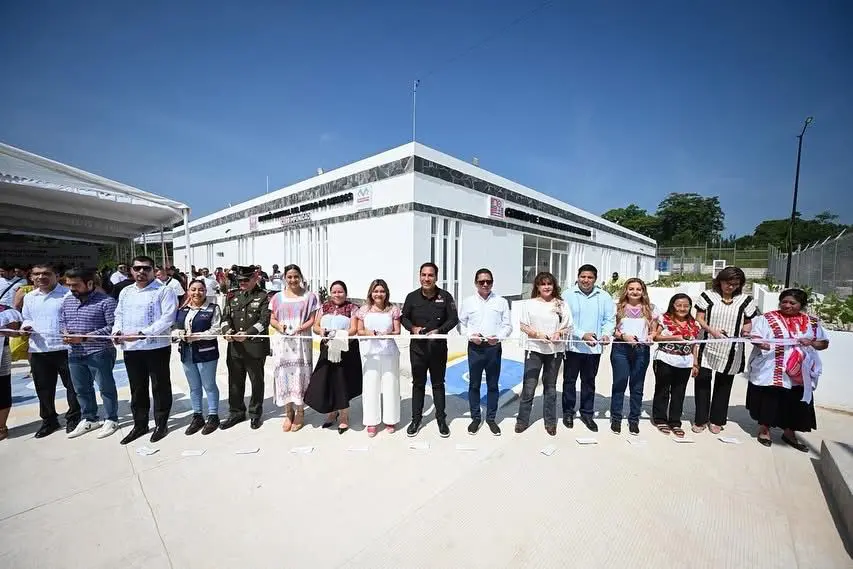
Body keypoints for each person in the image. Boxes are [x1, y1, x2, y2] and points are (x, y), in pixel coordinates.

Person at [746, 288, 829, 451]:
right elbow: (755, 336)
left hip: (800, 370)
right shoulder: (767, 318)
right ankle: (764, 429)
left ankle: (789, 432)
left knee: (795, 400)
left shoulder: (811, 322)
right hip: (772, 367)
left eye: (792, 303)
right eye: (784, 302)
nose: (787, 305)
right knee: (770, 398)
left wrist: (811, 343)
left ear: (801, 305)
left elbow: (824, 343)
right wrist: (761, 343)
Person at [113, 255, 178, 445]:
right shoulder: (125, 291)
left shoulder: (163, 290)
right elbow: (119, 314)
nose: (141, 272)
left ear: (153, 270)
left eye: (146, 268)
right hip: (131, 348)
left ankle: (161, 423)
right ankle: (140, 424)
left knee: (160, 386)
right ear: (131, 270)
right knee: (137, 388)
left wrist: (142, 333)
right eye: (137, 268)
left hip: (156, 346)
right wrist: (116, 331)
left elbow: (168, 318)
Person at [693, 266, 759, 434]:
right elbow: (699, 318)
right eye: (728, 283)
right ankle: (700, 419)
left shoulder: (745, 300)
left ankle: (717, 420)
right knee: (702, 382)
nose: (731, 287)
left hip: (731, 349)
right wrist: (712, 330)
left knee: (724, 384)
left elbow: (748, 320)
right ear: (720, 281)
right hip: (707, 345)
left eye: (735, 284)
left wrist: (746, 330)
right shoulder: (708, 296)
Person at [20, 263, 81, 438]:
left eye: (46, 273)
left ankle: (74, 417)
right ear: (31, 277)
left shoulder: (68, 294)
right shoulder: (30, 297)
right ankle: (49, 420)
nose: (41, 277)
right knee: (44, 388)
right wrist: (26, 327)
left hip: (66, 348)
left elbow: (76, 317)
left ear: (56, 275)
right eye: (36, 274)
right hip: (39, 349)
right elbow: (27, 318)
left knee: (72, 386)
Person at [59, 267, 120, 439]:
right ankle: (89, 418)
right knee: (81, 388)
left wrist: (85, 338)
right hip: (74, 353)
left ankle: (111, 418)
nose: (71, 289)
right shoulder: (67, 301)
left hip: (99, 352)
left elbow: (112, 328)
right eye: (69, 285)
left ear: (90, 283)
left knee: (106, 387)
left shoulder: (106, 302)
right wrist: (64, 332)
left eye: (75, 285)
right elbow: (62, 320)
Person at [401, 262, 459, 438]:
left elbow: (453, 319)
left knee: (438, 384)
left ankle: (441, 419)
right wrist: (414, 329)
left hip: (438, 350)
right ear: (419, 276)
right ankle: (416, 419)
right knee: (418, 384)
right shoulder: (411, 297)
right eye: (424, 275)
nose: (427, 278)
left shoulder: (445, 296)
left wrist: (439, 331)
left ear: (436, 277)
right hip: (417, 350)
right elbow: (404, 318)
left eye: (430, 275)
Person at [516, 272, 572, 436]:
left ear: (554, 286)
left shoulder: (561, 304)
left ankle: (550, 422)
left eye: (549, 284)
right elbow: (522, 325)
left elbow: (568, 326)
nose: (546, 287)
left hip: (555, 351)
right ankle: (522, 420)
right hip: (534, 350)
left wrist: (559, 334)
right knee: (529, 386)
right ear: (537, 287)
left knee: (550, 387)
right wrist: (537, 335)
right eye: (543, 284)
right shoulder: (529, 304)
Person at [458, 268, 512, 436]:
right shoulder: (468, 302)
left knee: (493, 385)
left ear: (492, 282)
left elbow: (508, 325)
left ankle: (491, 419)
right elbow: (461, 324)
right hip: (475, 348)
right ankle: (475, 418)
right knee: (474, 385)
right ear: (476, 283)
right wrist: (469, 335)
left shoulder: (501, 302)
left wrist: (499, 337)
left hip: (493, 348)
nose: (485, 284)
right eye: (482, 282)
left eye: (488, 281)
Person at [562, 264, 615, 432]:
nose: (586, 280)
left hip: (594, 349)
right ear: (577, 277)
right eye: (583, 277)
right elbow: (565, 321)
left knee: (589, 382)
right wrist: (582, 334)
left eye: (590, 277)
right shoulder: (567, 295)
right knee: (569, 382)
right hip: (573, 347)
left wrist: (606, 334)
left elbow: (609, 319)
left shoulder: (604, 296)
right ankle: (568, 412)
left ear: (595, 279)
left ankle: (587, 413)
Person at [305, 280, 363, 433]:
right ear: (331, 293)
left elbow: (354, 329)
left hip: (345, 350)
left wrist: (338, 334)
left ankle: (344, 415)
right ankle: (332, 412)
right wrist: (322, 331)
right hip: (327, 348)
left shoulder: (353, 308)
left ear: (346, 293)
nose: (337, 294)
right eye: (334, 292)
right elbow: (316, 326)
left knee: (342, 382)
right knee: (327, 380)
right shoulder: (324, 307)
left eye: (340, 291)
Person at [219, 266, 271, 431]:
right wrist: (226, 330)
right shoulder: (232, 295)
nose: (242, 283)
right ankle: (236, 412)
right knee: (234, 381)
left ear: (255, 279)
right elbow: (225, 317)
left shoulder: (263, 296)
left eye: (246, 280)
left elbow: (264, 321)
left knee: (256, 381)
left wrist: (248, 333)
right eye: (239, 280)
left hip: (254, 346)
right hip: (235, 346)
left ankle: (255, 414)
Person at [269, 264, 319, 432]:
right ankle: (288, 412)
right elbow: (272, 318)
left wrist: (301, 327)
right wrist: (280, 326)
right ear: (285, 278)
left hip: (301, 341)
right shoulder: (277, 297)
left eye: (296, 276)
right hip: (283, 342)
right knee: (283, 374)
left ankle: (299, 412)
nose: (293, 280)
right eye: (289, 277)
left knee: (300, 374)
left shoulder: (310, 297)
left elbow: (313, 318)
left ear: (301, 277)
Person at [173, 280, 223, 435]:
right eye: (193, 289)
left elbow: (216, 330)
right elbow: (174, 328)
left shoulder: (212, 309)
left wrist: (197, 337)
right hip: (187, 353)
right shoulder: (182, 309)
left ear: (205, 291)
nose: (196, 293)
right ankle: (197, 415)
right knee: (194, 387)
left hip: (206, 353)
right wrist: (178, 334)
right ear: (188, 291)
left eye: (200, 290)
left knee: (209, 385)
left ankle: (213, 415)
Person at [610, 278, 658, 435]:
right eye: (631, 289)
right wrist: (624, 336)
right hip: (620, 349)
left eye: (638, 289)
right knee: (619, 383)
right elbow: (612, 330)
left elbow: (654, 330)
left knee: (637, 387)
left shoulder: (650, 308)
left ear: (643, 291)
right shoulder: (618, 308)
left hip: (641, 350)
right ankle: (616, 418)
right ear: (626, 290)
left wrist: (651, 336)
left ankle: (634, 420)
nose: (635, 292)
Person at [356, 279, 401, 437]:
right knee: (370, 386)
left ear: (386, 293)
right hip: (370, 353)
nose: (379, 294)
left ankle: (391, 419)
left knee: (391, 384)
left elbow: (398, 331)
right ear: (371, 293)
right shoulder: (364, 310)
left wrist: (387, 334)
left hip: (389, 351)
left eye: (382, 291)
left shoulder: (393, 309)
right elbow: (359, 331)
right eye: (376, 291)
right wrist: (370, 333)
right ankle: (371, 420)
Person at [651, 293, 700, 438]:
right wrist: (674, 337)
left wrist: (695, 363)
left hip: (685, 361)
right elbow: (655, 337)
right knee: (663, 390)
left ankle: (675, 421)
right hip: (665, 358)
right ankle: (660, 418)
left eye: (686, 306)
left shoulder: (694, 323)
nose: (682, 308)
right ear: (673, 305)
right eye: (679, 305)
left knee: (679, 392)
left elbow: (695, 344)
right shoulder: (663, 319)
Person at [0, 304, 23, 441]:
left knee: (2, 388)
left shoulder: (5, 310)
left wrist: (7, 330)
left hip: (2, 354)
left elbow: (15, 330)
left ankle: (1, 426)